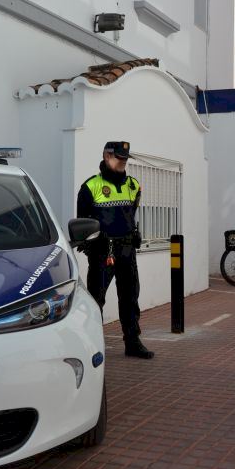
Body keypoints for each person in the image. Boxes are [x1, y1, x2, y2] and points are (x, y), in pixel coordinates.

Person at [77, 141, 154, 359]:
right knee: (95, 300)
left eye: (125, 158)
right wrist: (93, 243)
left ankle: (133, 342)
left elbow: (131, 214)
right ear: (106, 156)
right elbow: (83, 223)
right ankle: (92, 345)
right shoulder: (90, 187)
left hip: (128, 251)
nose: (123, 162)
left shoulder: (133, 185)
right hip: (103, 252)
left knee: (130, 298)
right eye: (119, 158)